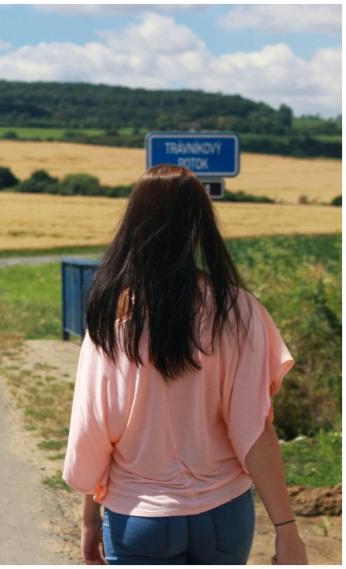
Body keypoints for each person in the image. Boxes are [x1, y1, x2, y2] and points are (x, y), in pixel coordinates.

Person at [61, 164, 308, 565]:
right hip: (225, 515)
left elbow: (93, 430)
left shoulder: (110, 319)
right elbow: (254, 426)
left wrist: (90, 517)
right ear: (198, 226)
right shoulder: (240, 312)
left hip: (140, 518)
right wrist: (286, 529)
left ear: (135, 225)